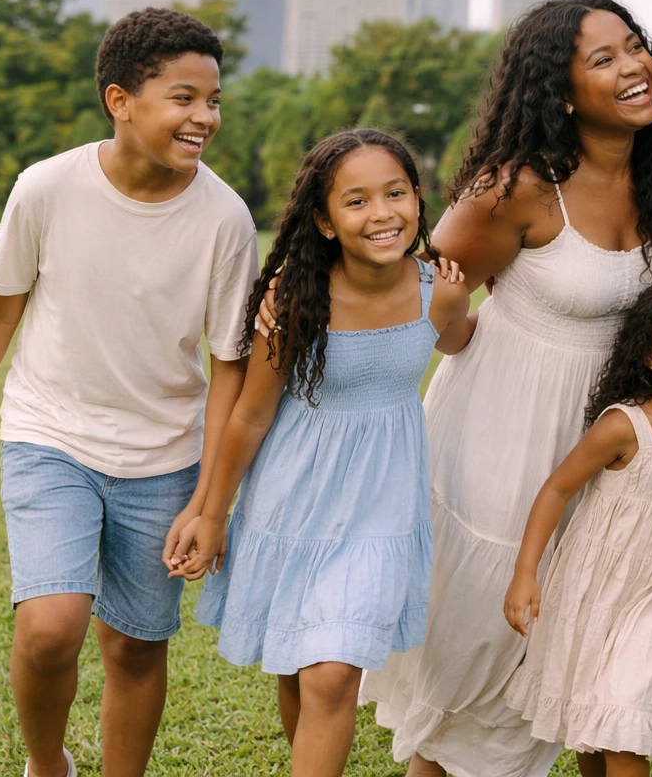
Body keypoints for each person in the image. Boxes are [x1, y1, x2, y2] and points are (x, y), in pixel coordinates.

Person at [357, 0, 652, 777]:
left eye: (634, 46)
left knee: (579, 663)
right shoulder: (517, 187)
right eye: (603, 59)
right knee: (484, 665)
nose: (634, 65)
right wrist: (457, 330)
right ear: (563, 92)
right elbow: (423, 291)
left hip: (602, 442)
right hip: (501, 437)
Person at [0, 8, 259, 777]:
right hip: (51, 436)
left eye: (212, 100)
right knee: (50, 628)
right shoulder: (47, 189)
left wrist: (209, 503)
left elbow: (228, 370)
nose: (203, 117)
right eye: (183, 98)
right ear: (121, 100)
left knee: (137, 643)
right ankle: (48, 764)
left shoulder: (226, 220)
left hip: (163, 455)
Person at [172, 129, 471, 777]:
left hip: (382, 508)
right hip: (295, 502)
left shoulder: (435, 286)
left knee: (332, 676)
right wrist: (212, 513)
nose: (382, 213)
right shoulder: (296, 298)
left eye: (396, 193)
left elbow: (455, 338)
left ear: (419, 201)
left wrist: (456, 296)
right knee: (298, 670)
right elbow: (251, 414)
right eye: (357, 201)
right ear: (325, 221)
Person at [503, 274, 652, 777]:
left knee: (623, 725)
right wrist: (526, 572)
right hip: (592, 592)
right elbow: (556, 489)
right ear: (649, 354)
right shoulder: (623, 425)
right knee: (592, 722)